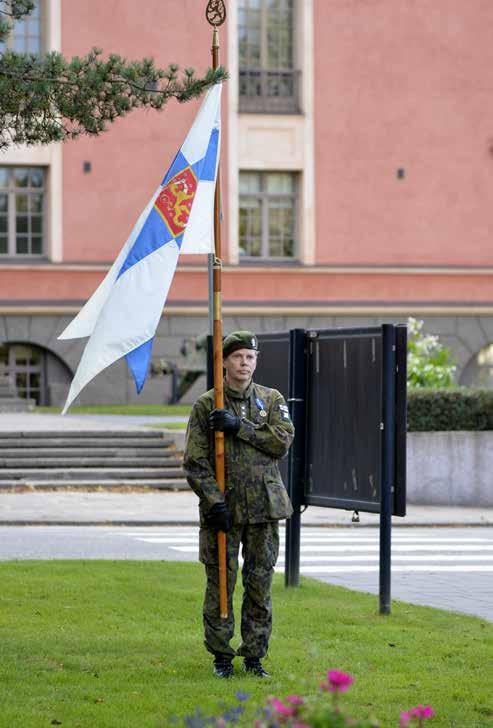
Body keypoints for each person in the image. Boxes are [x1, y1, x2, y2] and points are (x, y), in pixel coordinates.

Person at [183, 330, 294, 679]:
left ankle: (254, 656)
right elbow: (195, 462)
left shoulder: (271, 399)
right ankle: (221, 656)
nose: (244, 363)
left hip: (264, 508)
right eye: (237, 357)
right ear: (225, 362)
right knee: (221, 585)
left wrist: (239, 427)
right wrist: (214, 502)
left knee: (260, 584)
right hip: (224, 512)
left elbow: (281, 441)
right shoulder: (207, 405)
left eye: (250, 357)